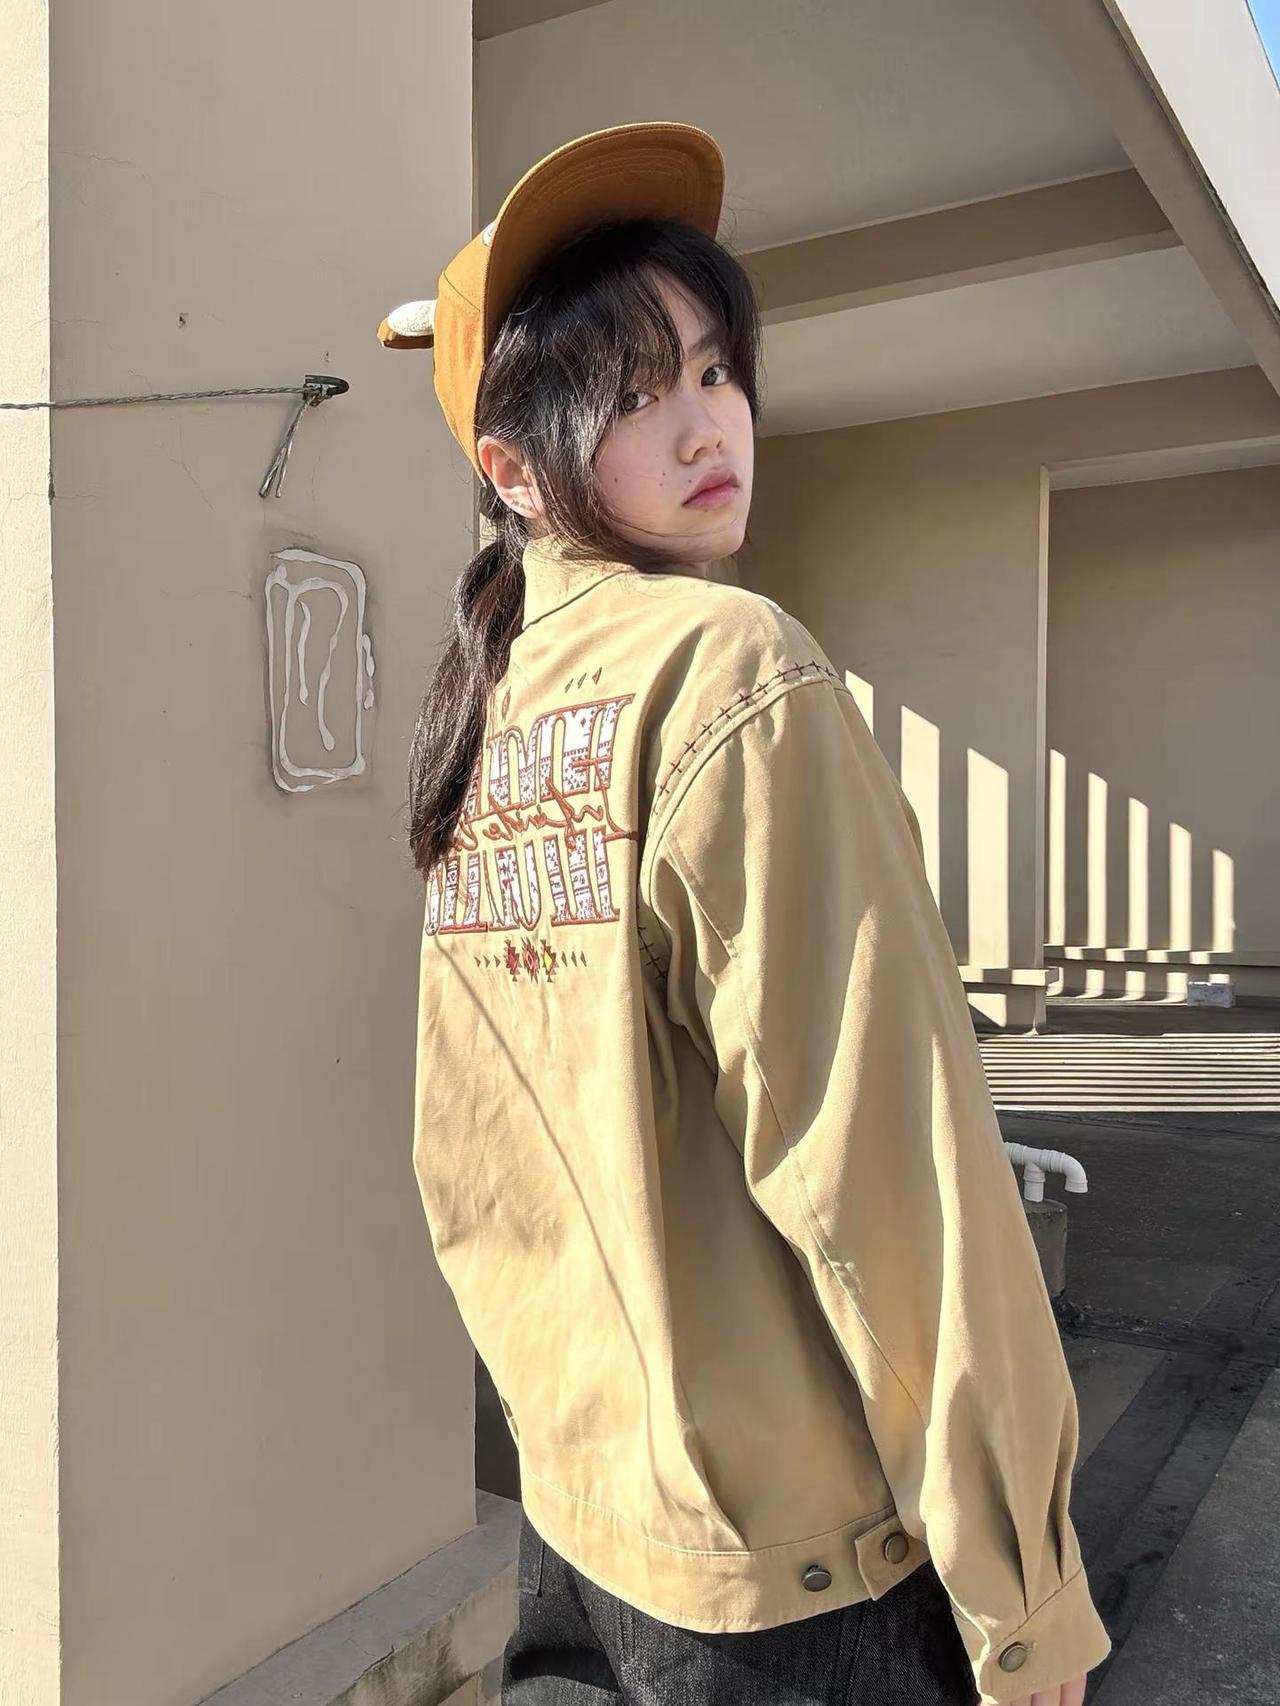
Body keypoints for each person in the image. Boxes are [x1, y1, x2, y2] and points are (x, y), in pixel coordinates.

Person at [377, 122, 1112, 1706]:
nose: (710, 421)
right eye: (634, 392)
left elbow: (467, 1166)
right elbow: (887, 1177)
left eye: (715, 368)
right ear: (514, 469)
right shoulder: (733, 670)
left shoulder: (483, 725)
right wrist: (1026, 1592)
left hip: (586, 1529)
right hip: (805, 1586)